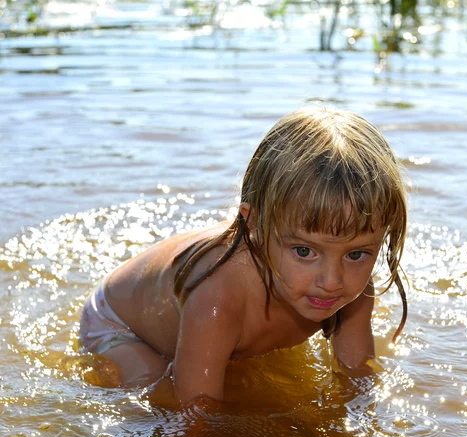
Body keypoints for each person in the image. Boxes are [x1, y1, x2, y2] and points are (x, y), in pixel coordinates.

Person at [78, 107, 408, 406]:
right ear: (255, 226)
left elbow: (357, 380)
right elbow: (197, 414)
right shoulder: (218, 298)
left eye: (357, 254)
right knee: (155, 393)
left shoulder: (352, 294)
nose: (332, 281)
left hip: (201, 319)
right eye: (304, 251)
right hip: (119, 325)